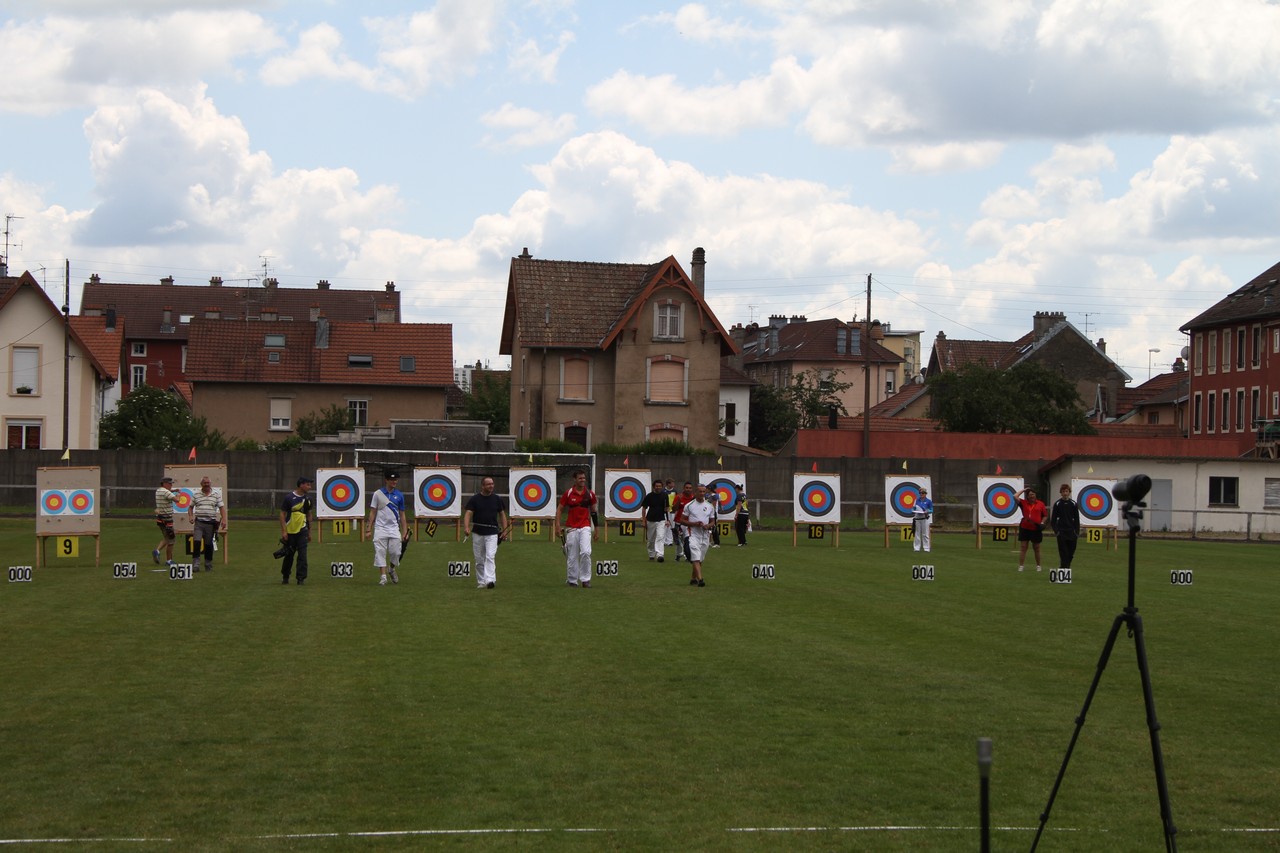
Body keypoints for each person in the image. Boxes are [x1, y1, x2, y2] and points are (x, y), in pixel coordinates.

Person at [464, 475, 509, 589]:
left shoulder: (497, 499)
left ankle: (490, 580)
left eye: (492, 484)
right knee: (479, 559)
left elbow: (502, 515)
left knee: (490, 556)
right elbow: (468, 513)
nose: (491, 486)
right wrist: (466, 527)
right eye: (489, 484)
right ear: (483, 486)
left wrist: (504, 530)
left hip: (492, 533)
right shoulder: (475, 499)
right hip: (477, 533)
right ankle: (481, 581)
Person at [554, 469, 597, 588]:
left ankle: (585, 579)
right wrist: (557, 525)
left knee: (585, 552)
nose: (583, 480)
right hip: (571, 528)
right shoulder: (568, 493)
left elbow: (594, 512)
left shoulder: (590, 494)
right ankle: (572, 580)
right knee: (572, 555)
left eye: (584, 478)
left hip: (585, 526)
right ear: (575, 479)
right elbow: (559, 509)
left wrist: (597, 530)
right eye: (580, 478)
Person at [365, 471, 408, 586]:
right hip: (380, 528)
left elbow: (402, 514)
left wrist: (405, 531)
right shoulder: (378, 494)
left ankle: (391, 569)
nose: (394, 482)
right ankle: (383, 577)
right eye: (392, 480)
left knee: (396, 552)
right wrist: (368, 529)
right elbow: (372, 512)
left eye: (396, 480)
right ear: (386, 480)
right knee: (380, 552)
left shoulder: (399, 495)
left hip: (394, 528)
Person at [186, 475, 226, 572]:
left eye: (208, 483)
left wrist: (224, 519)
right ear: (201, 484)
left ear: (210, 484)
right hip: (199, 523)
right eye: (205, 483)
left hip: (210, 524)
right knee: (197, 542)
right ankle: (196, 564)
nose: (207, 485)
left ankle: (208, 564)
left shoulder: (216, 495)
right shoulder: (196, 495)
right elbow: (190, 507)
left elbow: (221, 508)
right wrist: (190, 516)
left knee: (208, 545)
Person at [280, 476, 314, 585]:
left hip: (302, 531)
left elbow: (309, 515)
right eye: (308, 484)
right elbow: (282, 514)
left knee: (302, 555)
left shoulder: (308, 500)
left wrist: (309, 531)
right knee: (289, 555)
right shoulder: (289, 498)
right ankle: (286, 575)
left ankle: (301, 578)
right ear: (301, 485)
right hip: (290, 531)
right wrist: (284, 531)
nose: (310, 487)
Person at [682, 483, 716, 587]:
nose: (702, 493)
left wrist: (708, 526)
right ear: (695, 492)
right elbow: (682, 520)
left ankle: (693, 578)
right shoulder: (689, 506)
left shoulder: (709, 506)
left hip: (705, 535)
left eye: (703, 492)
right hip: (693, 534)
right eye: (700, 491)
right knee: (695, 557)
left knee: (700, 559)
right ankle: (701, 579)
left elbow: (712, 521)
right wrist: (694, 524)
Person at [1015, 486, 1048, 572]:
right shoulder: (1023, 503)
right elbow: (1014, 496)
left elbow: (1045, 515)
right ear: (1027, 496)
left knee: (1036, 547)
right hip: (1025, 527)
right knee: (1023, 547)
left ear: (1035, 495)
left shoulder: (1041, 504)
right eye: (1030, 495)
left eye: (1033, 494)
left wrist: (1042, 522)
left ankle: (1038, 566)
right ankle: (1021, 566)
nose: (1032, 496)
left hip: (1036, 528)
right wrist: (1024, 490)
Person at [1050, 483, 1081, 569]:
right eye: (1063, 491)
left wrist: (1077, 532)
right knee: (1063, 551)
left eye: (1066, 491)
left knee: (1071, 552)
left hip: (1072, 532)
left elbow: (1077, 519)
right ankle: (1064, 568)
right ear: (1061, 492)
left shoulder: (1073, 504)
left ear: (1069, 492)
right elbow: (1053, 520)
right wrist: (1057, 532)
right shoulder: (1057, 504)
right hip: (1061, 532)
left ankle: (1066, 566)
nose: (1065, 493)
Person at [153, 475, 179, 567]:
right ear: (164, 483)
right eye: (169, 484)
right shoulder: (167, 492)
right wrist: (178, 494)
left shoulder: (159, 491)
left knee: (167, 537)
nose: (171, 485)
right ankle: (169, 560)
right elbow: (177, 500)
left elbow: (167, 492)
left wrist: (174, 491)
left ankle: (157, 551)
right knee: (171, 540)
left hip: (160, 519)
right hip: (167, 519)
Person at [641, 480, 669, 562]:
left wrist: (667, 520)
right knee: (651, 539)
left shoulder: (665, 495)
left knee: (660, 537)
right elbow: (644, 508)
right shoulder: (649, 496)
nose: (658, 487)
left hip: (661, 520)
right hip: (650, 519)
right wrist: (643, 520)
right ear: (654, 487)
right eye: (657, 486)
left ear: (662, 486)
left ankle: (660, 555)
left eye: (660, 486)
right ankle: (651, 554)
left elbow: (666, 508)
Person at [671, 481, 695, 563]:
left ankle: (687, 556)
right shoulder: (678, 497)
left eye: (690, 488)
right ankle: (678, 554)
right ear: (684, 488)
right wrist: (679, 501)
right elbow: (673, 509)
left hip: (689, 523)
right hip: (678, 522)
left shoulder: (694, 498)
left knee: (687, 540)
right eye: (687, 488)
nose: (688, 489)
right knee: (678, 541)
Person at [913, 487, 933, 553]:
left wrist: (927, 511)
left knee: (925, 534)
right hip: (917, 518)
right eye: (920, 493)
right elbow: (913, 509)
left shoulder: (929, 501)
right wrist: (914, 511)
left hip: (925, 519)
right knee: (917, 534)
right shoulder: (916, 500)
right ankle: (916, 548)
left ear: (925, 494)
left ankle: (926, 548)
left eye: (923, 493)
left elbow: (931, 510)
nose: (922, 494)